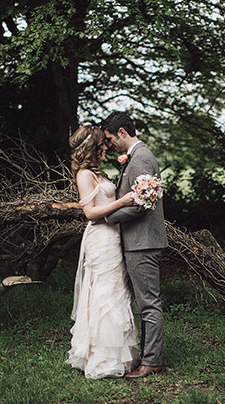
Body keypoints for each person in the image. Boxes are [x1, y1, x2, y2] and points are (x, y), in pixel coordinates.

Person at [66, 125, 140, 379]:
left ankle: (116, 354)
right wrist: (122, 201)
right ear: (93, 147)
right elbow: (89, 213)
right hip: (100, 237)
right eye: (103, 145)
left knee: (116, 288)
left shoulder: (97, 172)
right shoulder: (84, 174)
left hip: (113, 235)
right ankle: (102, 357)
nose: (107, 148)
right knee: (104, 291)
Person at [101, 111, 168, 379]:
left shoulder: (140, 159)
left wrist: (109, 216)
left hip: (143, 242)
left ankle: (152, 362)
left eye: (109, 139)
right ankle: (147, 356)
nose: (109, 146)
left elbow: (142, 204)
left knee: (149, 304)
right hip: (139, 241)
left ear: (122, 133)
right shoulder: (137, 158)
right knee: (145, 302)